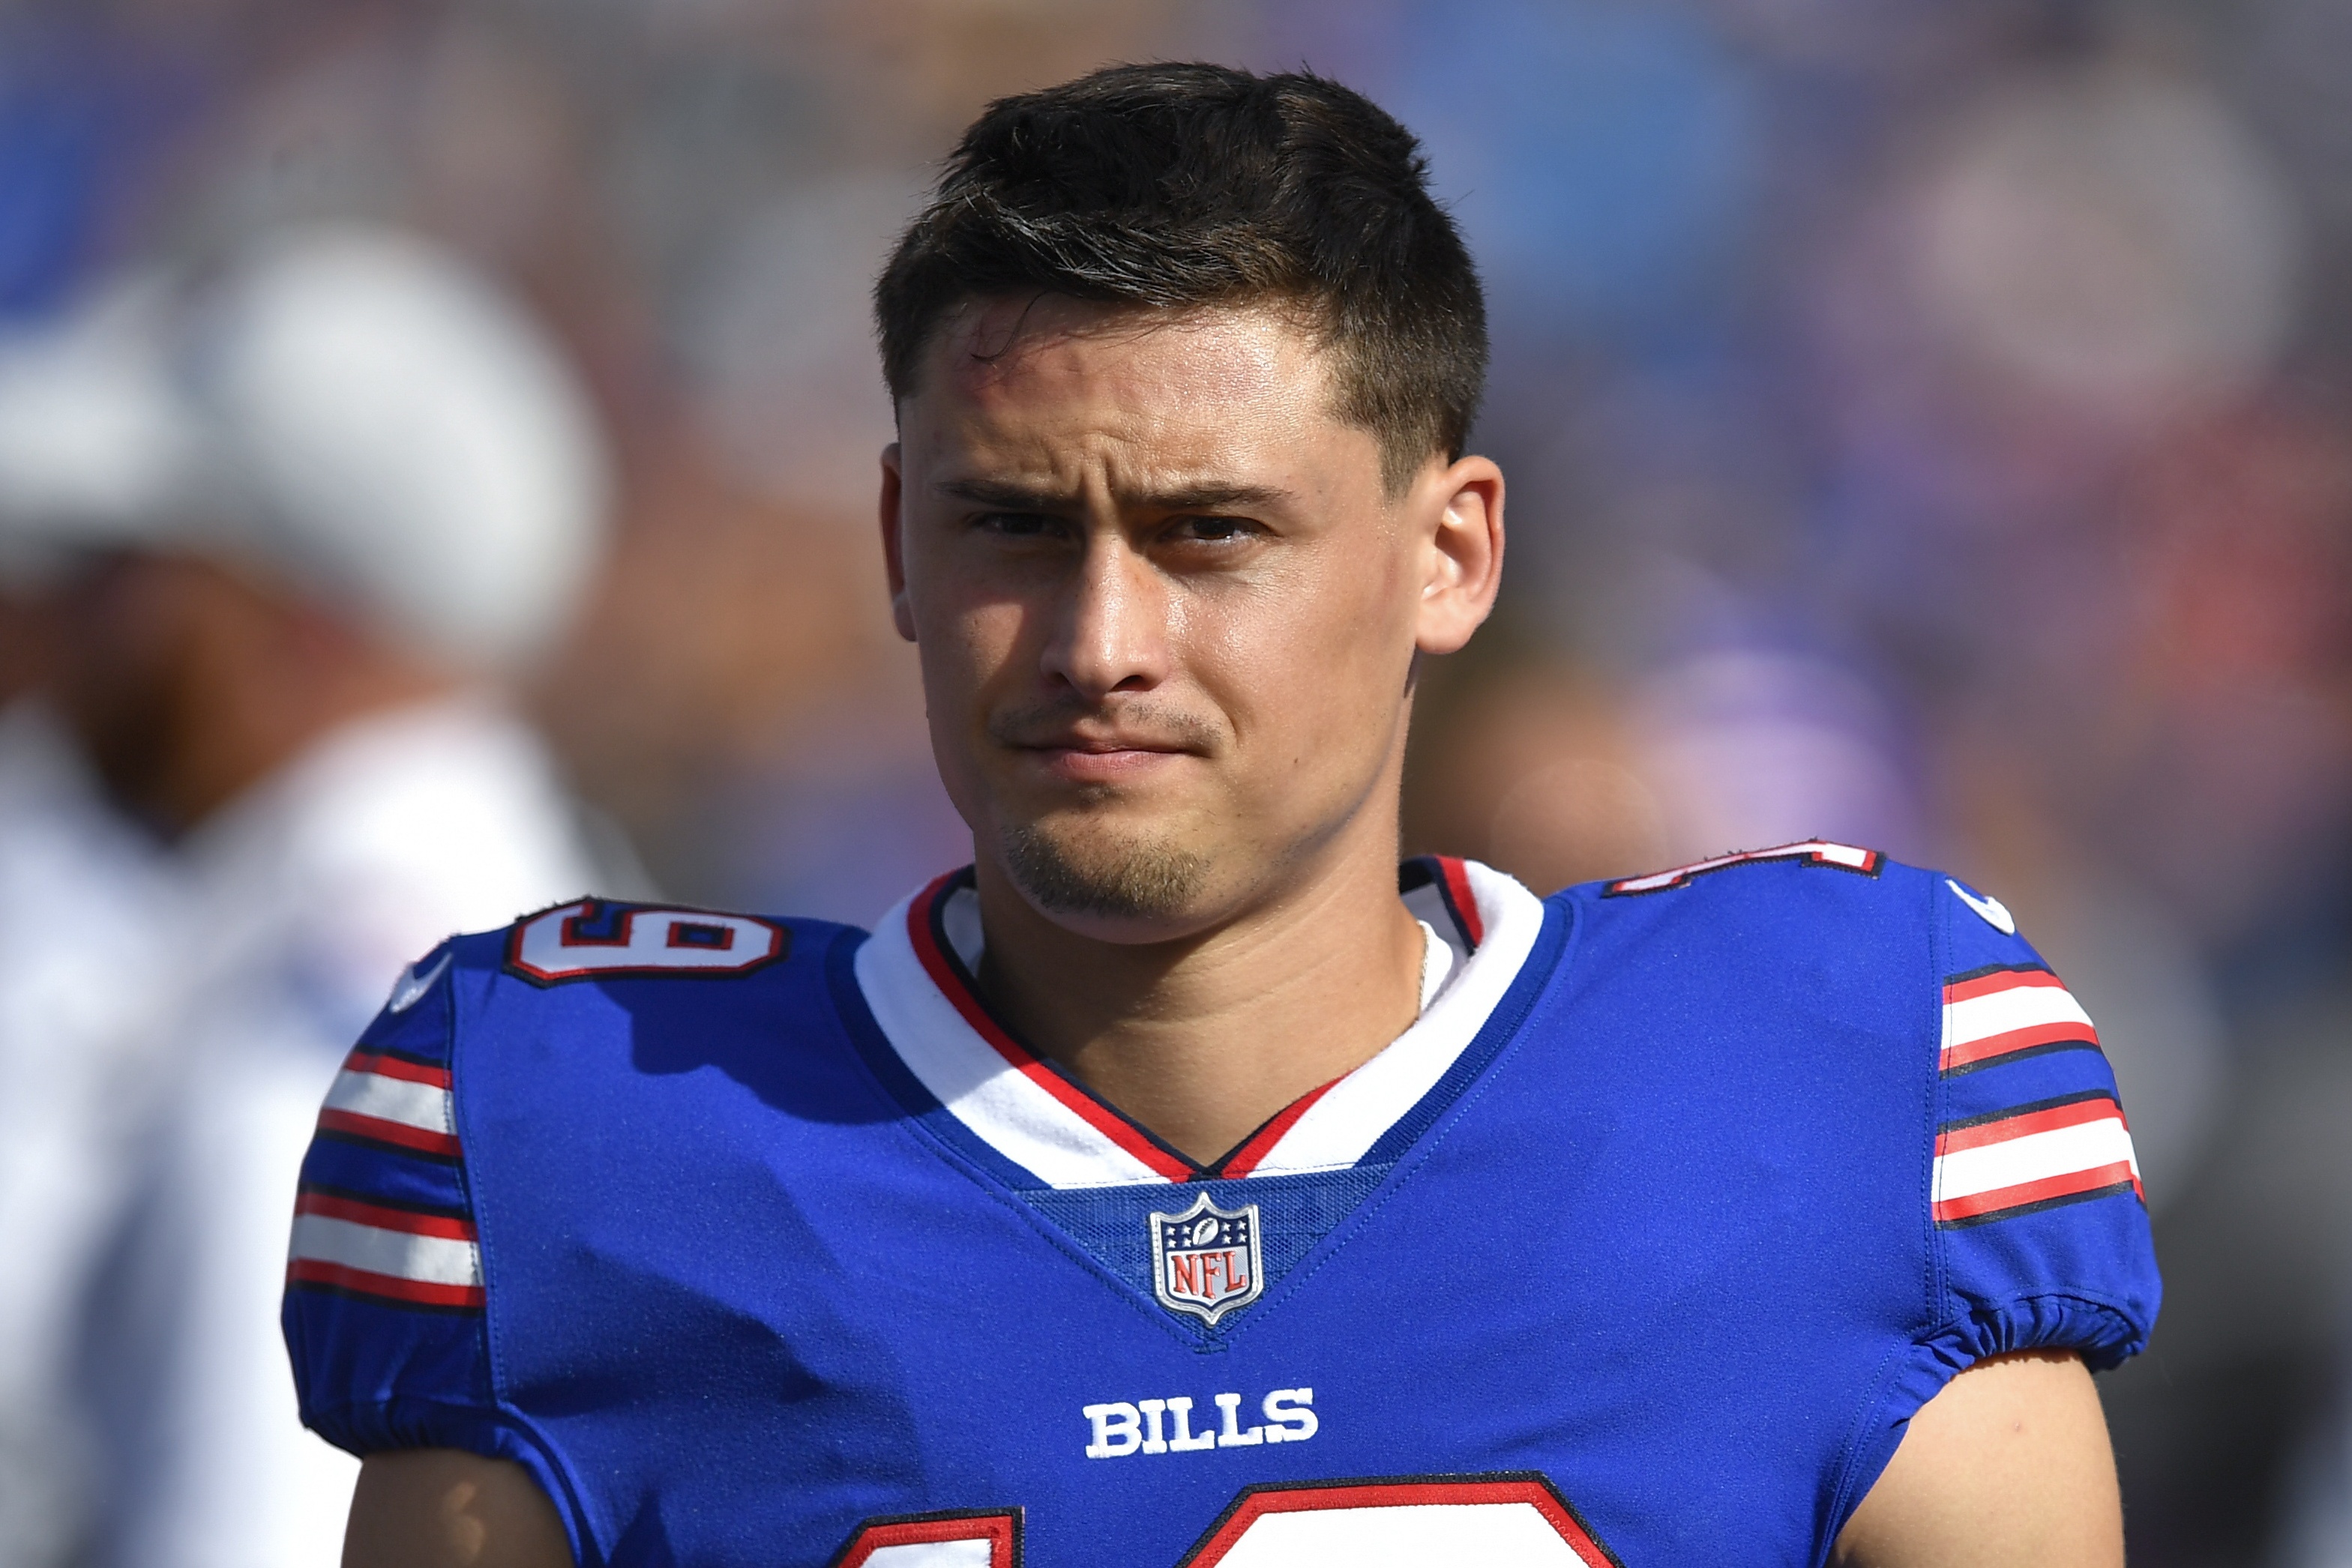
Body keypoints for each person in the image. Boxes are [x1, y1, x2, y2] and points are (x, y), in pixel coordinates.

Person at [297, 65, 2156, 1568]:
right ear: (896, 545)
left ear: (1450, 552)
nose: (1103, 644)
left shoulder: (1835, 1071)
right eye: (1015, 525)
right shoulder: (587, 1135)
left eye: (1214, 533)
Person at [0, 226, 618, 1568]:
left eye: (131, 566)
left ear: (300, 620)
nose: (78, 620)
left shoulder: (344, 1032)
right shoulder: (494, 928)